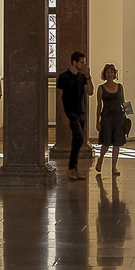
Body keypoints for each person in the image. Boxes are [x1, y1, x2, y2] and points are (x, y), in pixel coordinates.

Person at [55, 50, 93, 180]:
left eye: (84, 62)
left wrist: (88, 77)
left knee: (77, 141)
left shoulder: (82, 77)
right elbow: (58, 97)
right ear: (74, 62)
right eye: (82, 62)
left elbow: (90, 92)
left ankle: (73, 169)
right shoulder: (63, 77)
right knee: (79, 137)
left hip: (81, 111)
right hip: (70, 112)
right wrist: (63, 115)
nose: (83, 65)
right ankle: (71, 168)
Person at [94, 63, 130, 177]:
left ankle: (114, 167)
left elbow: (123, 101)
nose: (110, 74)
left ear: (115, 74)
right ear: (104, 74)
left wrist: (128, 113)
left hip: (118, 116)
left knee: (117, 143)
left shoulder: (120, 86)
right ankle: (100, 159)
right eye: (108, 72)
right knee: (106, 142)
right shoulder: (101, 88)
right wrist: (97, 121)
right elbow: (99, 105)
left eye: (112, 72)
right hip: (106, 117)